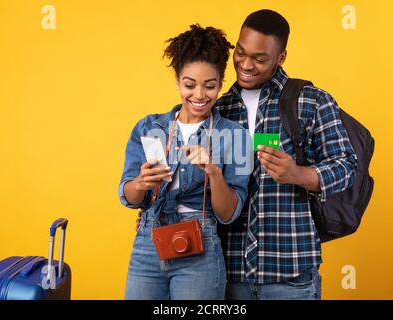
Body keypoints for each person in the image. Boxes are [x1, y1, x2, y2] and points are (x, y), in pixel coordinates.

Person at [216, 9, 358, 300]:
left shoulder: (311, 100)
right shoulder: (219, 108)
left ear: (280, 58)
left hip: (290, 273)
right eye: (240, 53)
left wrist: (298, 174)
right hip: (229, 273)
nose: (245, 64)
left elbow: (347, 166)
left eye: (259, 58)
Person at [118, 24, 252, 300]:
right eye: (189, 85)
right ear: (178, 80)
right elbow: (128, 196)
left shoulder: (234, 136)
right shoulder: (148, 127)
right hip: (148, 242)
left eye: (210, 85)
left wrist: (214, 172)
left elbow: (228, 214)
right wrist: (141, 183)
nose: (200, 95)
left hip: (200, 248)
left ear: (221, 82)